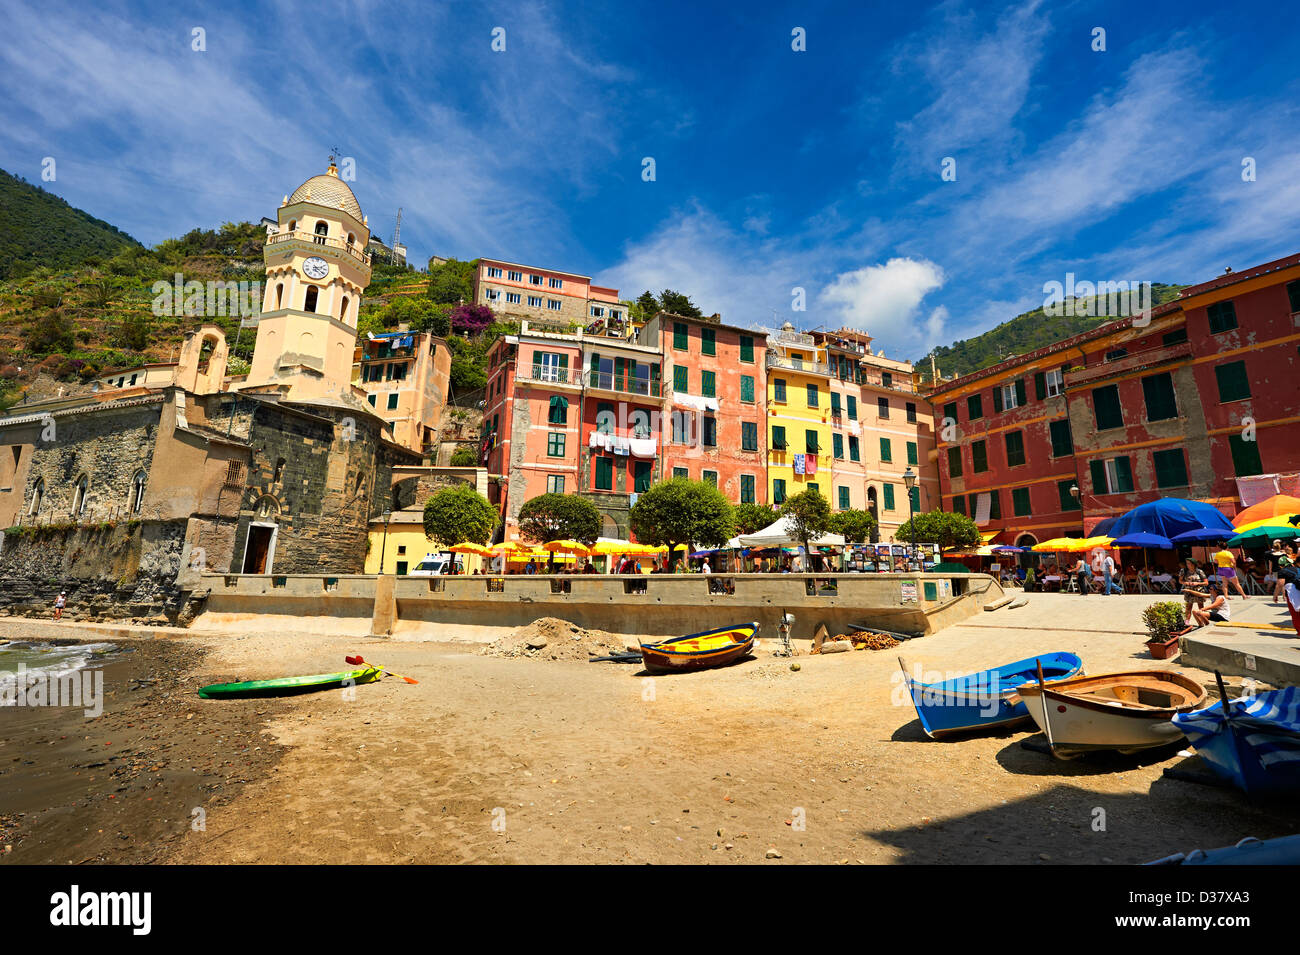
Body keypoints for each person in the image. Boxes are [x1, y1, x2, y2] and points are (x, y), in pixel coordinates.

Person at [1179, 557, 1211, 625]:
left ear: (1194, 564)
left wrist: (1197, 583)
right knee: (1188, 607)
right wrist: (1186, 583)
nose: (1188, 565)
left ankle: (1203, 620)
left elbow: (1206, 583)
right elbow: (1180, 581)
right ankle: (1187, 622)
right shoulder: (1183, 571)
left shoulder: (1199, 572)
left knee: (1201, 607)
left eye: (1189, 563)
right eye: (1187, 563)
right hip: (1189, 591)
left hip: (1199, 592)